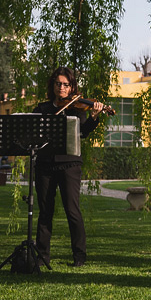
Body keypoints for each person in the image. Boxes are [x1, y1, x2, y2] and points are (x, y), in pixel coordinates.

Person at [33, 66, 105, 267]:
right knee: (45, 211)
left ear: (72, 86)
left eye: (66, 85)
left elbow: (82, 133)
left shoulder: (76, 109)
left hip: (69, 164)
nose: (62, 88)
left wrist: (94, 118)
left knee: (72, 210)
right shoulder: (42, 109)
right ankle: (42, 257)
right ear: (53, 86)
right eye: (58, 84)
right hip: (45, 164)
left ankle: (79, 257)